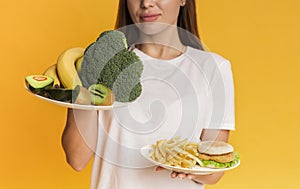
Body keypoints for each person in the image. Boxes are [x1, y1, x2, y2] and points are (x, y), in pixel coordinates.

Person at [61, 0, 235, 188]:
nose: (146, 3)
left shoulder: (214, 68)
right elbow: (76, 159)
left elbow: (214, 171)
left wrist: (190, 167)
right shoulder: (104, 64)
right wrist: (88, 77)